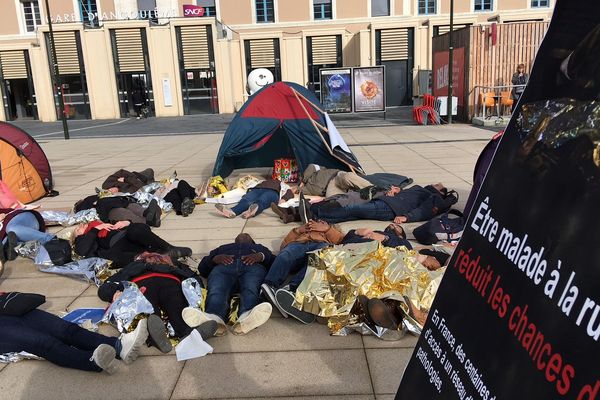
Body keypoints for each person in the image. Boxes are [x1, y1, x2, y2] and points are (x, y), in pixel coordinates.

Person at [97, 252, 217, 353]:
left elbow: (193, 277)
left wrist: (195, 291)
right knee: (150, 311)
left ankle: (190, 333)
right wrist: (114, 292)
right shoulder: (134, 266)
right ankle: (157, 336)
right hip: (143, 283)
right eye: (147, 255)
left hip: (170, 282)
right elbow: (105, 288)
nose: (152, 256)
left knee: (177, 309)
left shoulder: (175, 264)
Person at [0, 304, 148, 374]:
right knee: (43, 343)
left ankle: (118, 345)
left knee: (65, 328)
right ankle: (92, 361)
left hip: (8, 308)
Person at [183, 233, 274, 335]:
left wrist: (261, 256)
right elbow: (202, 268)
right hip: (223, 268)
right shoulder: (223, 248)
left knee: (251, 288)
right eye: (240, 236)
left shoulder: (259, 248)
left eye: (247, 236)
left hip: (253, 268)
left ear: (252, 241)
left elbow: (275, 262)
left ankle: (246, 318)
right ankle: (215, 320)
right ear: (235, 241)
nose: (242, 235)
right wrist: (214, 259)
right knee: (217, 290)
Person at [261, 220, 344, 323]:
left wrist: (327, 229)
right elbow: (283, 246)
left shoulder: (329, 232)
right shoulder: (302, 232)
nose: (316, 222)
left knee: (321, 255)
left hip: (320, 245)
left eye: (322, 222)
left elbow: (341, 241)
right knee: (285, 254)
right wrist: (297, 230)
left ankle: (291, 290)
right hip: (300, 244)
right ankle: (268, 287)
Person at [309, 183, 457, 224]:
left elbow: (424, 210)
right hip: (388, 202)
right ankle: (318, 219)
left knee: (351, 209)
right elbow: (409, 196)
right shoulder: (422, 190)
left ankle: (315, 212)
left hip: (391, 208)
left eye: (438, 185)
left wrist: (407, 217)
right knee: (352, 214)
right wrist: (398, 190)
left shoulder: (434, 197)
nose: (434, 183)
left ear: (441, 192)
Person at [74, 220, 191, 268]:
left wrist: (127, 222)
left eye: (82, 225)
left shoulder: (103, 222)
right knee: (111, 256)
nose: (81, 227)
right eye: (77, 229)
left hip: (129, 236)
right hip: (118, 248)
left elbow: (145, 228)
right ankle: (159, 258)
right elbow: (82, 250)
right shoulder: (85, 238)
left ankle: (168, 249)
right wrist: (95, 230)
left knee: (136, 229)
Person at [215, 178, 294, 219]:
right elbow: (250, 183)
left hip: (273, 192)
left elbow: (289, 192)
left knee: (262, 200)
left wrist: (283, 199)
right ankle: (232, 211)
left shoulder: (283, 184)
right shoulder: (262, 181)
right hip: (257, 189)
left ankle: (252, 211)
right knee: (246, 200)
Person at [75, 196, 162, 227]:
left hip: (117, 203)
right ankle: (148, 219)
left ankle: (148, 213)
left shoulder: (90, 199)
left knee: (130, 207)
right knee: (124, 211)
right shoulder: (82, 206)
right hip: (108, 209)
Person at [300, 164, 372, 198]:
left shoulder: (315, 171)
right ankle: (360, 197)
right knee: (331, 198)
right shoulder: (305, 189)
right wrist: (298, 189)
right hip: (330, 188)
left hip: (335, 176)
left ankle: (375, 189)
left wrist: (303, 181)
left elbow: (312, 166)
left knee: (346, 177)